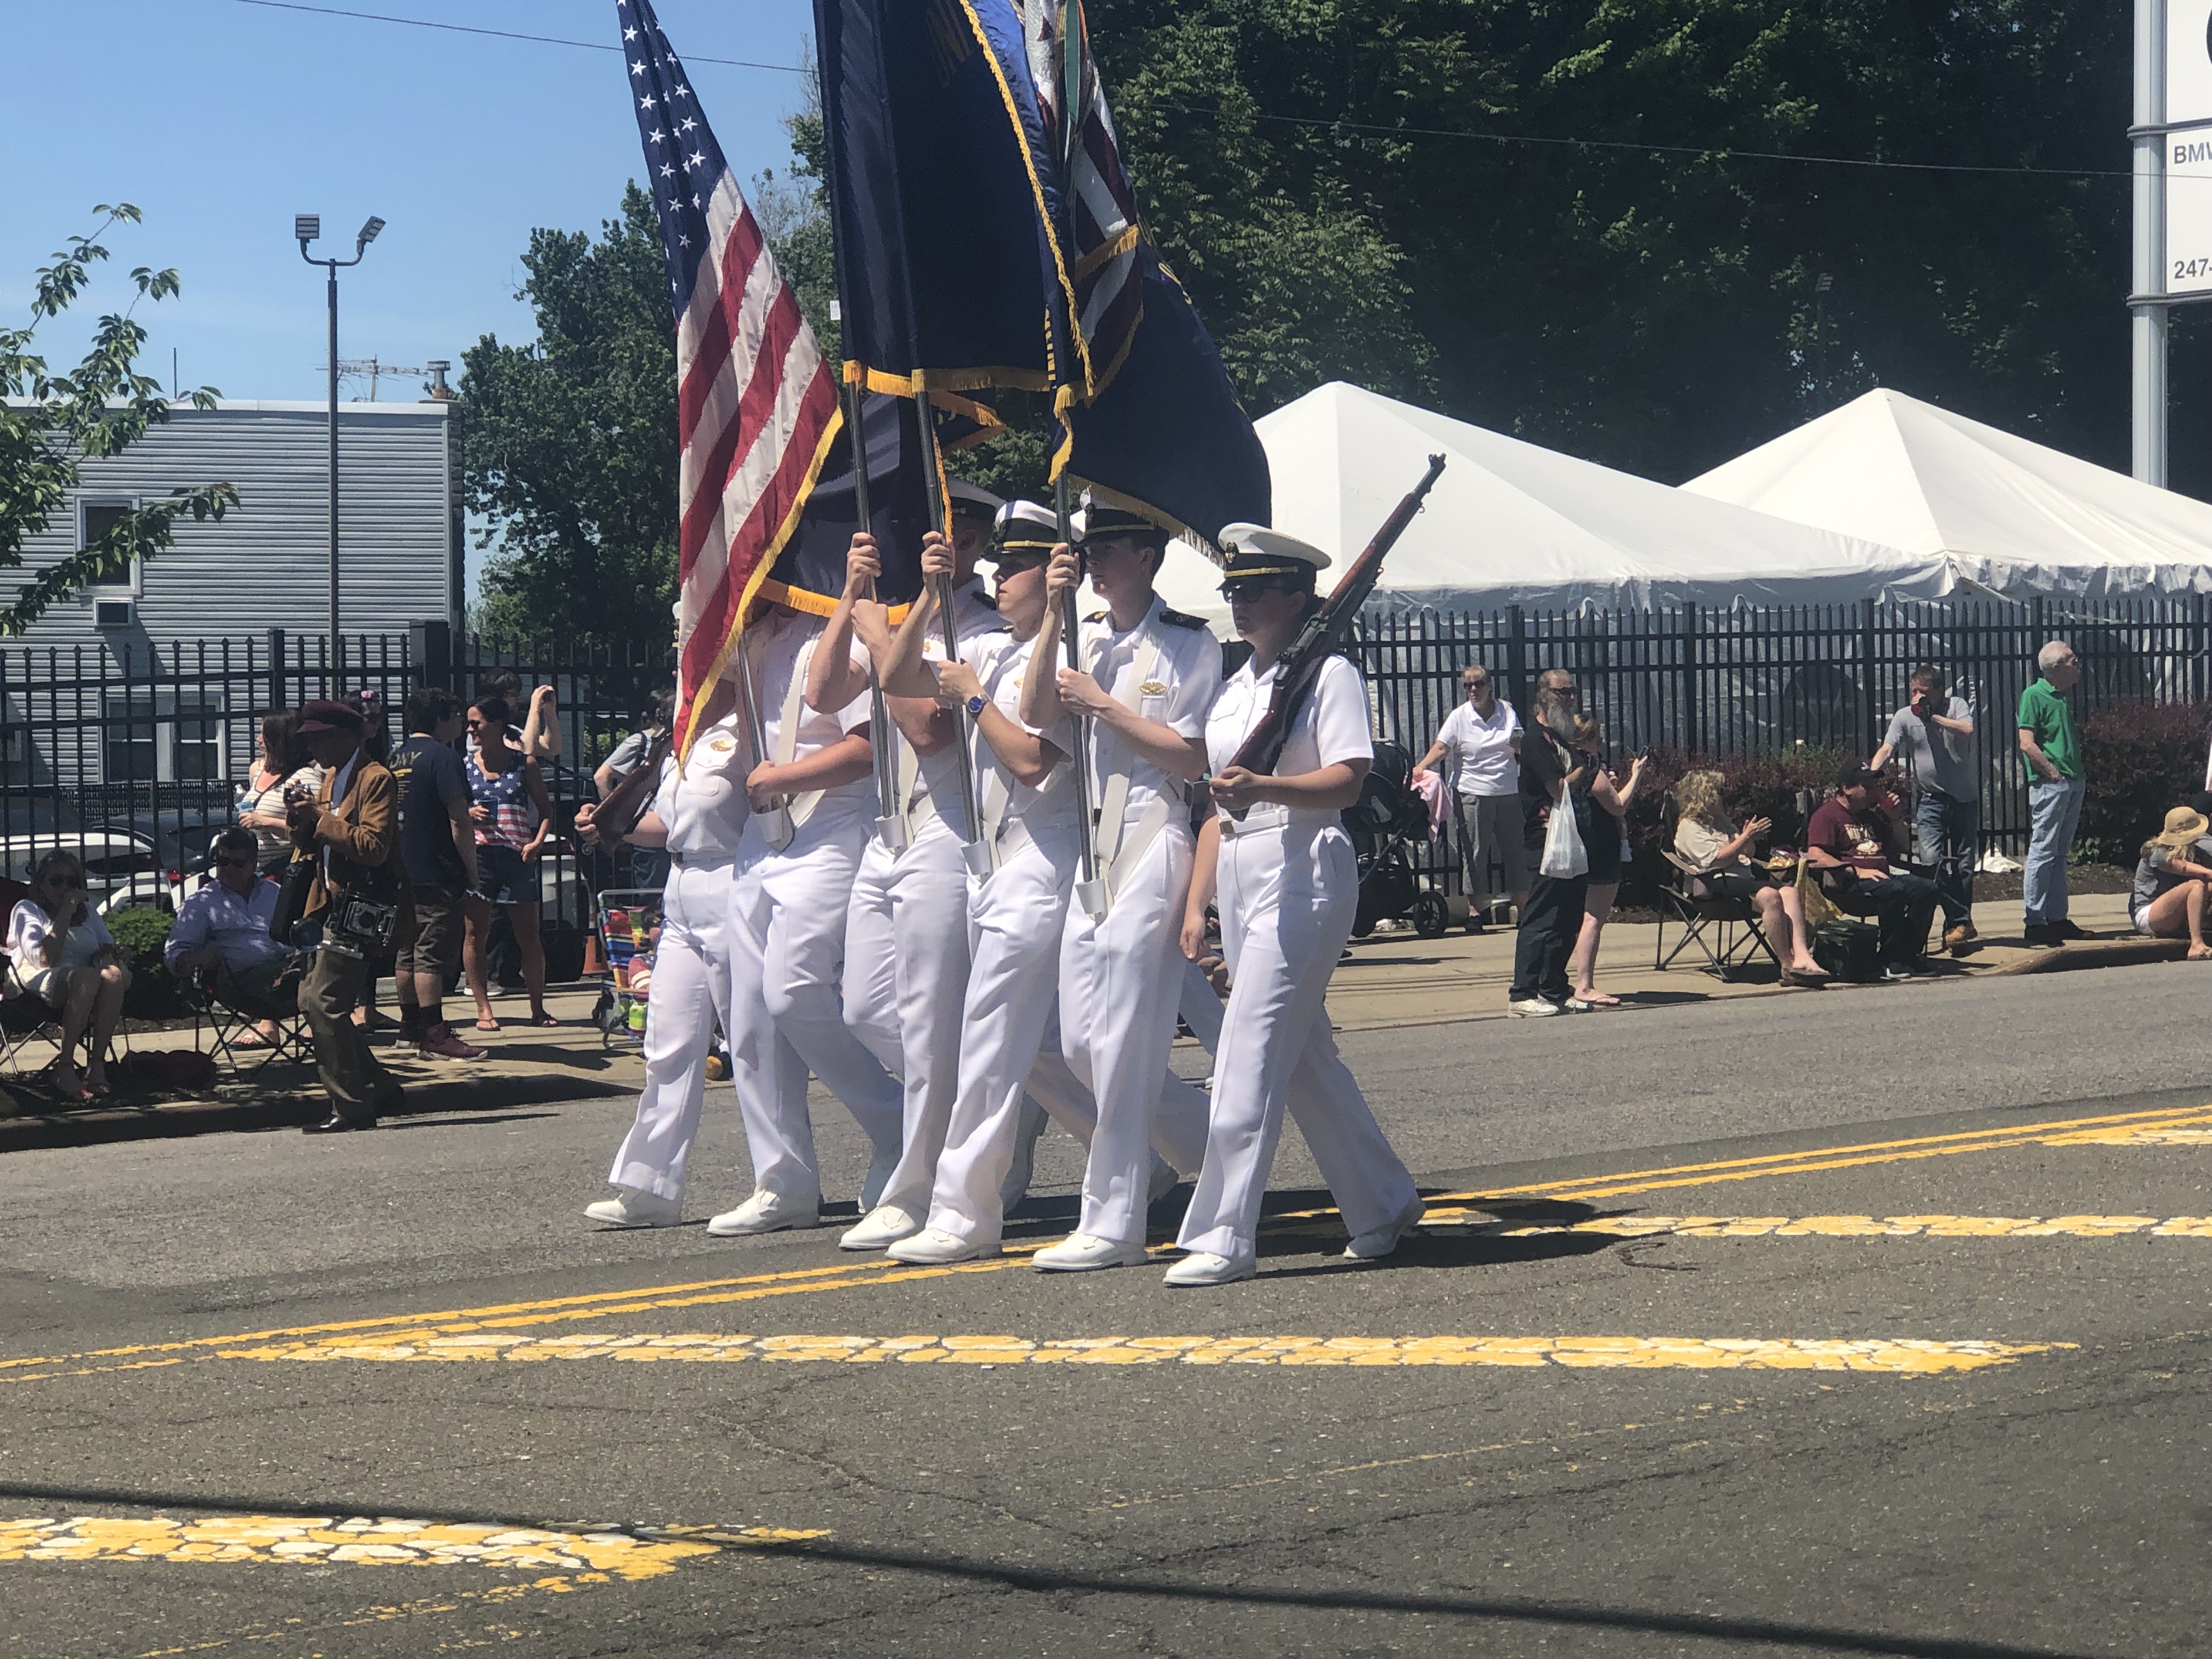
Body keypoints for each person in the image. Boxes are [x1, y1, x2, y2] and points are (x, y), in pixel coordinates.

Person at [1166, 525, 1423, 1287]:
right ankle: (1382, 1201)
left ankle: (1222, 1232)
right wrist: (1197, 904)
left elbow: (1349, 781)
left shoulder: (1329, 674)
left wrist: (1268, 789)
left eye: (1254, 591)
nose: (1239, 605)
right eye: (1233, 592)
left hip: (1304, 866)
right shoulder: (1237, 685)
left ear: (1296, 597)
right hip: (1245, 866)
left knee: (1248, 1048)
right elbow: (1218, 802)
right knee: (1304, 1056)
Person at [1017, 499, 1217, 1272]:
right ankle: (1213, 1143)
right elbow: (1036, 717)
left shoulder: (1187, 645)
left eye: (1107, 549)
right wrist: (1054, 617)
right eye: (1087, 549)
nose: (1094, 560)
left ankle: (1116, 1220)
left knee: (1127, 1039)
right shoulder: (1082, 636)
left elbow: (1190, 757)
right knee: (1078, 1044)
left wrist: (1105, 705)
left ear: (1147, 557)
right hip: (1092, 853)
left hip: (1150, 836)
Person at [806, 480, 1006, 1251]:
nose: (926, 547)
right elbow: (825, 692)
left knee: (927, 1025)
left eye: (946, 536)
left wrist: (881, 633)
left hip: (948, 832)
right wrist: (851, 599)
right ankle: (994, 1115)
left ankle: (916, 1189)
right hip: (889, 836)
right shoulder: (891, 619)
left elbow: (927, 729)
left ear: (977, 545)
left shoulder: (982, 631)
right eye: (920, 534)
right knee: (864, 1008)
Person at [576, 666, 809, 1228]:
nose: (689, 679)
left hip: (736, 880)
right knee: (668, 1043)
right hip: (681, 888)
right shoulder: (683, 738)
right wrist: (615, 827)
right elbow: (673, 823)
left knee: (754, 1044)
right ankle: (651, 1183)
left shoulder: (753, 725)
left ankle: (786, 1184)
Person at [711, 597, 904, 1236]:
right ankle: (783, 1180)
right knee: (749, 1017)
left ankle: (898, 1126)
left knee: (795, 991)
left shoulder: (836, 628)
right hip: (763, 833)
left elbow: (868, 746)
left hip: (829, 824)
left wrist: (784, 778)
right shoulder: (757, 641)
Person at [287, 698, 411, 1133]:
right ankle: (383, 1088)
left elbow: (374, 848)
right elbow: (318, 841)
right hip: (329, 907)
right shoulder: (332, 779)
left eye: (319, 738)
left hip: (363, 908)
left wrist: (320, 820)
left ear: (345, 737)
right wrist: (300, 819)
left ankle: (351, 1106)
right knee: (310, 999)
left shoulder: (375, 779)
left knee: (323, 1002)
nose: (313, 748)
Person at [386, 689, 485, 1061]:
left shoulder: (394, 759)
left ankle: (409, 1027)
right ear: (440, 719)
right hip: (435, 868)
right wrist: (471, 871)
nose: (461, 723)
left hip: (400, 868)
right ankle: (434, 1032)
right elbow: (459, 819)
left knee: (406, 950)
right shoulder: (444, 758)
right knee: (430, 952)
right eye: (456, 716)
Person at [1669, 769, 1829, 986]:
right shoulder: (1689, 827)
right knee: (1771, 896)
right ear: (1705, 795)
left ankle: (1803, 957)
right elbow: (1715, 860)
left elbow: (1749, 853)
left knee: (1790, 892)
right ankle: (1787, 965)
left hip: (1740, 881)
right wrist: (1745, 836)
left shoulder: (1721, 820)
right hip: (1713, 885)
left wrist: (1748, 839)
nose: (1723, 797)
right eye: (1719, 792)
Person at [4, 850, 132, 1099]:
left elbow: (105, 945)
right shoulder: (28, 910)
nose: (64, 887)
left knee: (113, 976)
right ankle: (64, 1067)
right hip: (35, 977)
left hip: (88, 980)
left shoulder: (87, 912)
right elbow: (43, 958)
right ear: (41, 884)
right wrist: (66, 911)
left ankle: (96, 1066)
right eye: (56, 881)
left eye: (71, 882)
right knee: (86, 977)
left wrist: (114, 953)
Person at [461, 695, 556, 1030]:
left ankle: (538, 1007)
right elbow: (450, 812)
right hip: (480, 855)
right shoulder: (465, 766)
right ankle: (483, 1009)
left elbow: (546, 812)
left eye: (477, 723)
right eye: (469, 722)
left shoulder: (523, 764)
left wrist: (537, 841)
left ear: (497, 724)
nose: (471, 729)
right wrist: (468, 813)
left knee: (528, 934)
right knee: (476, 933)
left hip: (517, 855)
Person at [1871, 667, 1979, 954]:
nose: (1916, 697)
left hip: (1964, 800)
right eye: (1913, 691)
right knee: (1931, 862)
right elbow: (1888, 747)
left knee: (1964, 865)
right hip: (1930, 800)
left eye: (1922, 692)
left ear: (1938, 693)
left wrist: (1933, 717)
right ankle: (1959, 922)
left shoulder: (1955, 705)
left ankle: (1955, 931)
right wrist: (1871, 773)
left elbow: (1968, 729)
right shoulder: (1905, 716)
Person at [1411, 664, 1525, 926]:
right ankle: (1476, 911)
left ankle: (1523, 909)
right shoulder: (1459, 716)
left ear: (1490, 685)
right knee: (1474, 852)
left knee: (1514, 850)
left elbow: (1519, 743)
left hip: (1508, 789)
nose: (1474, 689)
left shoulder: (1507, 711)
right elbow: (1442, 747)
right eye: (1468, 685)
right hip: (1471, 791)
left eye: (1479, 683)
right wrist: (1421, 767)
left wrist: (1522, 749)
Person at [1805, 763, 1940, 980]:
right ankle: (1890, 958)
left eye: (1874, 785)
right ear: (1847, 788)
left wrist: (1895, 817)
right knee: (1893, 890)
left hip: (1883, 876)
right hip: (1848, 883)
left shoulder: (1870, 817)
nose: (1874, 791)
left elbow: (1902, 846)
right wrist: (1857, 871)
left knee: (1927, 889)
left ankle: (1908, 954)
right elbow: (1816, 856)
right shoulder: (1827, 816)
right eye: (1867, 786)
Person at [1506, 669, 1589, 1017]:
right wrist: (1586, 768)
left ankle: (1553, 987)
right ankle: (1522, 993)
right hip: (1545, 839)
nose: (1569, 699)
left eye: (1572, 692)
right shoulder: (1536, 742)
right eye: (1561, 693)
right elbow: (1558, 789)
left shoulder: (1563, 739)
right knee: (1541, 918)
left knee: (1567, 917)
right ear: (1543, 695)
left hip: (1572, 839)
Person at [163, 827, 301, 1014]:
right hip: (240, 983)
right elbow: (174, 953)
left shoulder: (275, 892)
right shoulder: (202, 902)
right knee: (309, 986)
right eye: (223, 861)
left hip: (289, 966)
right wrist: (200, 958)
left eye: (238, 863)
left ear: (253, 864)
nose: (229, 869)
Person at [1564, 712, 1645, 1009]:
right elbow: (1618, 805)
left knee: (1575, 915)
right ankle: (1585, 983)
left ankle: (1563, 978)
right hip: (1600, 846)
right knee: (1594, 917)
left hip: (1576, 846)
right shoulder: (1590, 769)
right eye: (1597, 738)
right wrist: (1636, 775)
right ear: (1587, 740)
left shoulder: (1564, 767)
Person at [2018, 641, 2087, 946]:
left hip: (2073, 780)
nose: (2078, 664)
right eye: (2073, 660)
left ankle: (2057, 917)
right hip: (2052, 783)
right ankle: (2035, 921)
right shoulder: (2035, 695)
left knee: (2060, 854)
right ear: (2057, 666)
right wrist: (2051, 772)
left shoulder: (2061, 697)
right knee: (2043, 851)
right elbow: (2026, 741)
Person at [236, 711, 322, 875]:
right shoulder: (258, 770)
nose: (258, 739)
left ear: (278, 739)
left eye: (263, 734)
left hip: (283, 870)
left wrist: (265, 822)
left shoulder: (305, 777)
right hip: (255, 871)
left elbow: (314, 832)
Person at [2129, 806, 2212, 958]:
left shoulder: (2196, 851)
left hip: (2171, 913)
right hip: (2147, 915)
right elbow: (2189, 869)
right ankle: (2196, 945)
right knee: (2197, 885)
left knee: (2208, 886)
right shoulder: (2157, 852)